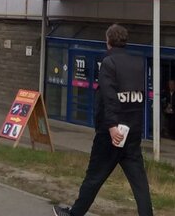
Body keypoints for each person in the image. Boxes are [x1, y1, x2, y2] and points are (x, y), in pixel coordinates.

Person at [54, 24, 154, 216]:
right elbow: (138, 97)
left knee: (94, 177)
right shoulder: (138, 63)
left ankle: (74, 214)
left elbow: (109, 97)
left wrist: (112, 126)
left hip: (110, 134)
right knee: (140, 183)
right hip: (132, 132)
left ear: (108, 40)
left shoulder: (108, 62)